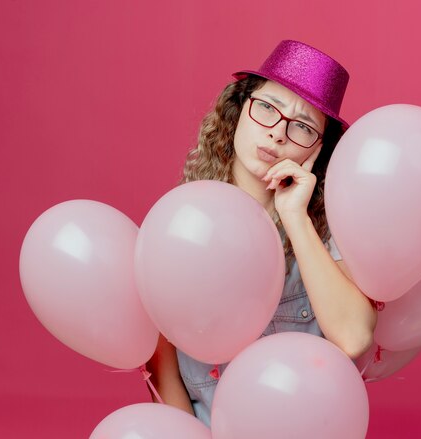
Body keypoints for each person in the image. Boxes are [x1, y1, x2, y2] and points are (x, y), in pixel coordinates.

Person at [146, 40, 377, 426]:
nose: (277, 134)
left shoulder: (330, 234)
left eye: (302, 127)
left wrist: (295, 217)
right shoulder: (183, 224)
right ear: (239, 111)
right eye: (267, 108)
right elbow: (162, 367)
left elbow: (353, 338)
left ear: (317, 151)